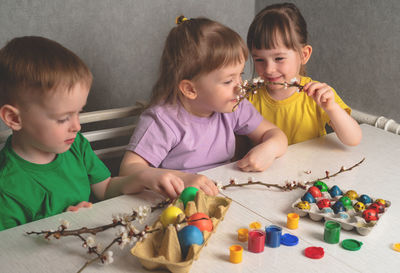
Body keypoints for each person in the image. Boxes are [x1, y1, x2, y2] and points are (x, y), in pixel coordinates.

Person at [119, 16, 288, 198]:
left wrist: (270, 148)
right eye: (228, 80)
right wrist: (182, 179)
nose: (240, 86)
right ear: (190, 89)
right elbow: (128, 170)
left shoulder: (234, 106)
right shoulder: (163, 120)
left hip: (222, 194)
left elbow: (276, 134)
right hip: (175, 204)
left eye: (241, 75)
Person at [0, 36, 149, 231]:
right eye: (63, 118)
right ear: (14, 118)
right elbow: (10, 253)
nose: (77, 126)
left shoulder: (75, 145)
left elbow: (105, 188)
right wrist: (59, 228)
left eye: (79, 112)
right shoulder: (7, 187)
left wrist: (142, 178)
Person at [246, 3, 362, 145]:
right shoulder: (249, 98)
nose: (269, 69)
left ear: (303, 55)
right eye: (259, 59)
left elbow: (353, 139)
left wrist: (331, 108)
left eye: (279, 58)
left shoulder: (318, 95)